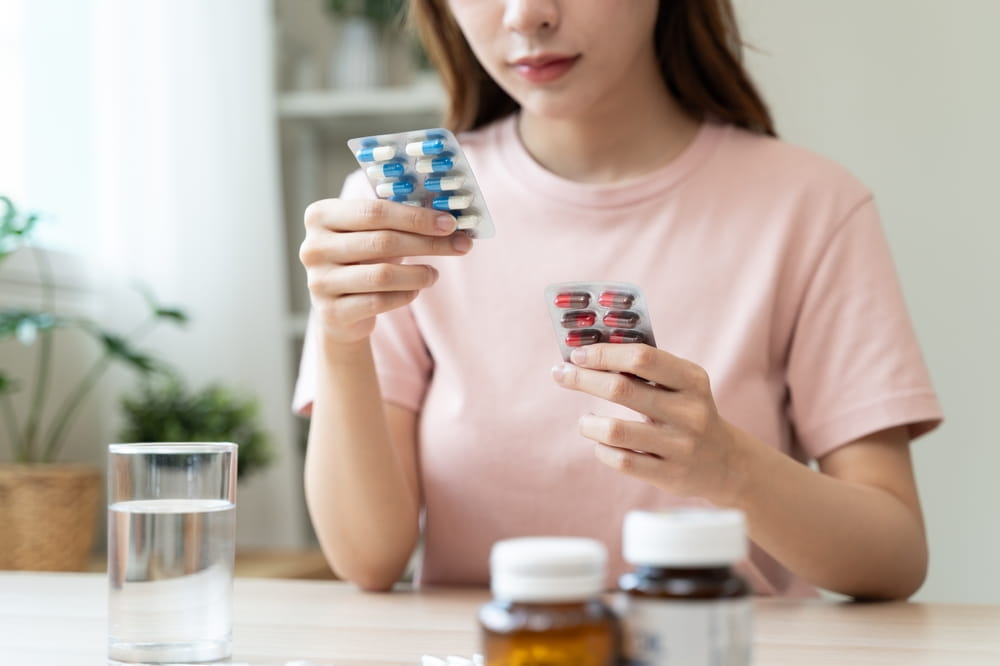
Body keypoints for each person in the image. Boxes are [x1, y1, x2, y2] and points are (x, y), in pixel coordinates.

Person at [294, 0, 942, 599]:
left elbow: (892, 559)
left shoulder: (812, 207)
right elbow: (369, 560)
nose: (527, 16)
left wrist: (728, 466)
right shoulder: (392, 219)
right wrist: (339, 339)